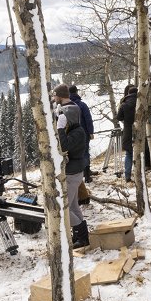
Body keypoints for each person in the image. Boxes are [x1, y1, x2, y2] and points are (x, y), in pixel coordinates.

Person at [53, 84, 89, 248]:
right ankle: (80, 238)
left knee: (65, 209)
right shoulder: (76, 130)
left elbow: (65, 146)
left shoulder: (77, 132)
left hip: (72, 174)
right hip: (74, 172)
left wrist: (60, 129)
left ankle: (82, 233)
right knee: (73, 205)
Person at [68, 85, 96, 182]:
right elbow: (88, 119)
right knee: (85, 152)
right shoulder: (82, 105)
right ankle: (87, 176)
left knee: (75, 154)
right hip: (83, 133)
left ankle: (81, 173)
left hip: (71, 135)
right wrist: (91, 132)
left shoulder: (67, 106)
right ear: (76, 92)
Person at [117, 84, 137, 182]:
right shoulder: (141, 101)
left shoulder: (124, 103)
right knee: (140, 153)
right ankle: (139, 173)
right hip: (141, 130)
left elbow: (119, 117)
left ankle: (127, 175)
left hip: (128, 130)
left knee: (129, 154)